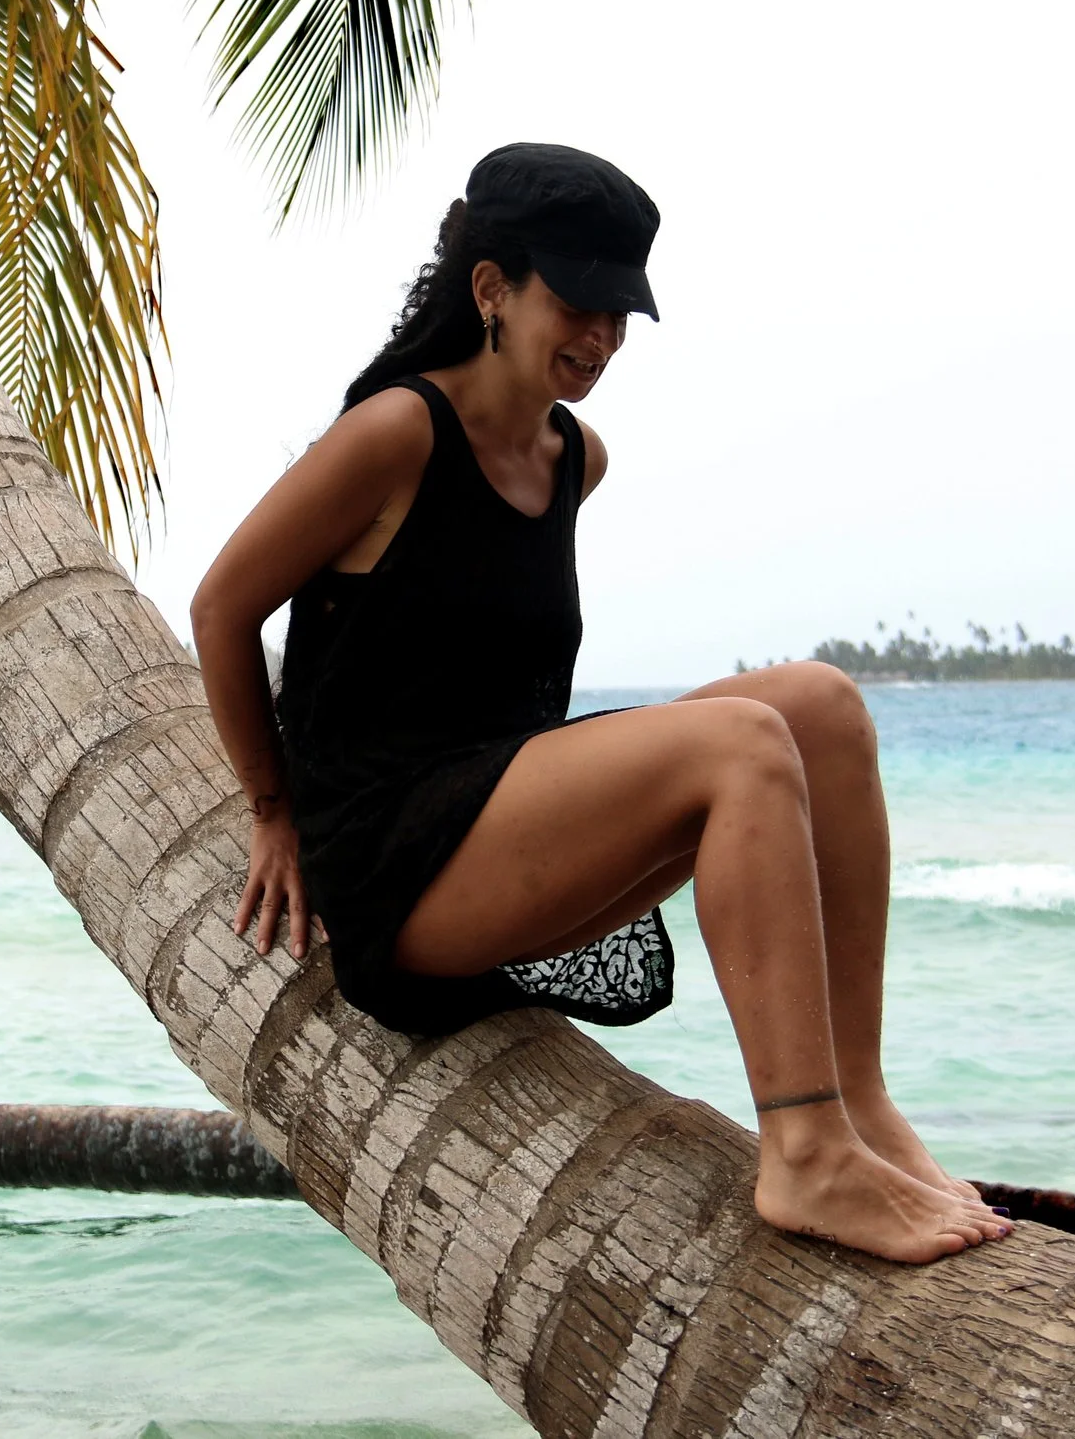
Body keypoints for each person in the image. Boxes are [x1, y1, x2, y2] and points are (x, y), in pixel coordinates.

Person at [190, 143, 1010, 1263]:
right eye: (579, 304)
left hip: (504, 819)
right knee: (741, 744)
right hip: (395, 866)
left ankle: (858, 1103)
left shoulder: (577, 458)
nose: (603, 338)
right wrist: (271, 810)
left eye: (621, 314)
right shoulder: (396, 432)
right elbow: (222, 606)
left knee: (820, 706)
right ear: (492, 289)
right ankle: (804, 1149)